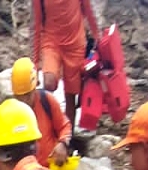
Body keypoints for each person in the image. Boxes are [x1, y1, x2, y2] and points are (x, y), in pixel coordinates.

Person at [31, 0, 100, 128]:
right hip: (51, 43)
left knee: (70, 95)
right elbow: (36, 24)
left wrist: (98, 39)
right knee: (49, 83)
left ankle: (68, 139)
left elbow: (90, 12)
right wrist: (34, 63)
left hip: (75, 44)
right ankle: (47, 127)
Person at [10, 57, 72, 168]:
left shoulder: (46, 100)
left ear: (35, 87)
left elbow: (64, 126)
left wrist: (63, 143)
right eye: (20, 97)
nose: (24, 100)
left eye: (28, 95)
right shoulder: (11, 114)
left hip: (51, 168)